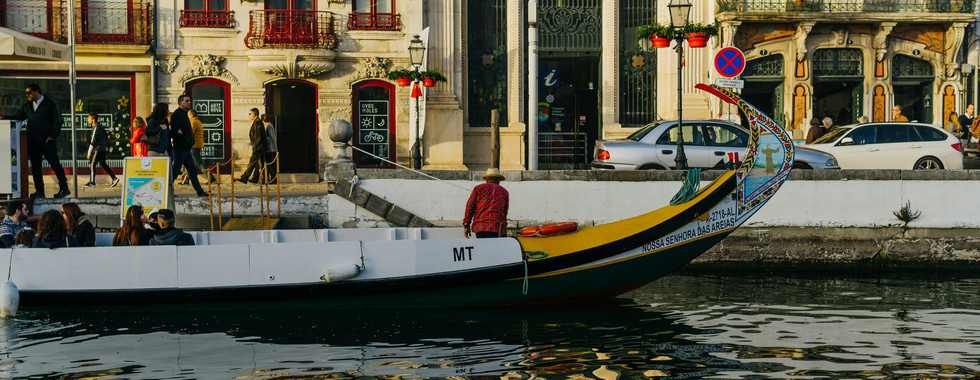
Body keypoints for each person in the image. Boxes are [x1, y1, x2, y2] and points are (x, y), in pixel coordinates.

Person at [2, 83, 70, 198]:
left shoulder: (50, 104)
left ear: (36, 91)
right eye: (26, 93)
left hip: (47, 141)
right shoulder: (27, 106)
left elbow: (58, 121)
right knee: (35, 167)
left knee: (55, 165)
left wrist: (52, 136)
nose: (27, 95)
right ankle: (40, 191)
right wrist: (4, 117)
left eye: (28, 93)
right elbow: (19, 116)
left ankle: (64, 188)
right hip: (33, 141)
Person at [169, 95, 208, 197]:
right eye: (186, 101)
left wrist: (191, 140)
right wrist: (186, 139)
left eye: (189, 101)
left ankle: (200, 191)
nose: (189, 103)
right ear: (180, 103)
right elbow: (175, 132)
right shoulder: (177, 115)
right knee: (175, 171)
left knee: (192, 171)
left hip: (186, 148)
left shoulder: (185, 114)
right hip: (180, 148)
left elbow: (186, 131)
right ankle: (168, 192)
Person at [463, 168, 509, 239]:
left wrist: (466, 224)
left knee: (482, 249)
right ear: (498, 180)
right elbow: (504, 212)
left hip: (480, 226)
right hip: (497, 227)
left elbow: (470, 207)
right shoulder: (504, 192)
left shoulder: (478, 188)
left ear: (486, 179)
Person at [84, 112, 120, 188]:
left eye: (89, 118)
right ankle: (114, 178)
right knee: (103, 164)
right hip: (103, 149)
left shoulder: (96, 128)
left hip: (98, 149)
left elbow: (92, 141)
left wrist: (89, 153)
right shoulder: (101, 127)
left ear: (93, 120)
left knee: (92, 164)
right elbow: (106, 136)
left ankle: (92, 182)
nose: (88, 119)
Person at [237, 108, 268, 184]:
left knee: (252, 162)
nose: (249, 115)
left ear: (255, 114)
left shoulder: (258, 123)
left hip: (258, 147)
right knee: (258, 164)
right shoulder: (257, 122)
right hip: (259, 146)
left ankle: (245, 177)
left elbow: (258, 137)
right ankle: (256, 178)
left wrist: (255, 147)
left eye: (250, 114)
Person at [261, 114, 278, 184]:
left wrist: (263, 139)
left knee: (271, 166)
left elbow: (271, 137)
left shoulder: (269, 126)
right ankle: (269, 179)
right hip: (268, 149)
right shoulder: (267, 126)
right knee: (268, 165)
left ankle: (274, 180)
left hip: (271, 149)